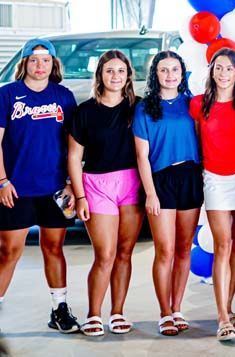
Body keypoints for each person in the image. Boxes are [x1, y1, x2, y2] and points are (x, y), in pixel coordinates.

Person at [0, 38, 79, 336]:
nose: (40, 66)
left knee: (54, 248)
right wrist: (1, 181)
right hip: (16, 189)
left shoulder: (63, 96)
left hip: (55, 189)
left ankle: (59, 309)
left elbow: (73, 145)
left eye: (45, 60)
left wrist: (73, 185)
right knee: (8, 251)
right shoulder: (6, 95)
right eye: (34, 60)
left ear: (53, 64)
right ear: (24, 62)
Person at [68, 50, 144, 337]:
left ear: (128, 76)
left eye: (121, 71)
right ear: (100, 74)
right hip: (97, 186)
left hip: (132, 184)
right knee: (105, 254)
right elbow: (74, 157)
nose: (115, 76)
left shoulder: (137, 108)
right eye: (109, 71)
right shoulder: (85, 111)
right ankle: (93, 314)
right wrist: (80, 196)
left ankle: (117, 312)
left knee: (124, 253)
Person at [133, 50, 203, 336]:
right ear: (155, 74)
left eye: (175, 69)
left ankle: (177, 307)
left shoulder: (192, 104)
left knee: (184, 249)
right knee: (165, 250)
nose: (170, 75)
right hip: (160, 180)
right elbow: (141, 154)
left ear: (182, 72)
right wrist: (150, 193)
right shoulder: (145, 108)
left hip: (189, 176)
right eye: (164, 70)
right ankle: (164, 313)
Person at [189, 48, 235, 342]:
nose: (223, 73)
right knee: (222, 244)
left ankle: (228, 306)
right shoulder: (199, 104)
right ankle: (222, 317)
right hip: (214, 179)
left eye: (229, 68)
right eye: (218, 68)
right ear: (211, 71)